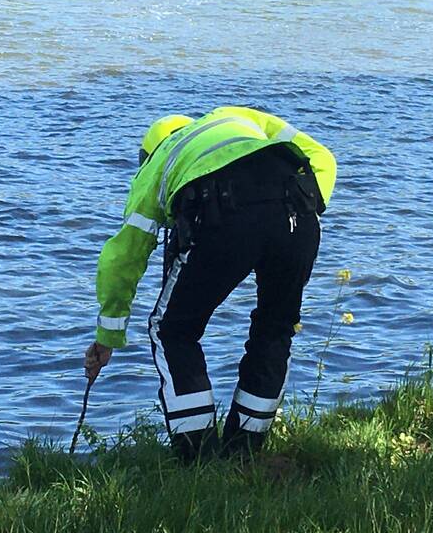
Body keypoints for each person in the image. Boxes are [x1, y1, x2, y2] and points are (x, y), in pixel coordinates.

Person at [84, 106, 336, 462]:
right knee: (275, 329)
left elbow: (122, 256)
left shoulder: (160, 162)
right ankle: (244, 450)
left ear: (149, 152)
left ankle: (197, 456)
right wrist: (303, 211)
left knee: (171, 330)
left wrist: (108, 334)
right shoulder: (238, 118)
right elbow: (323, 157)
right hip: (297, 212)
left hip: (224, 210)